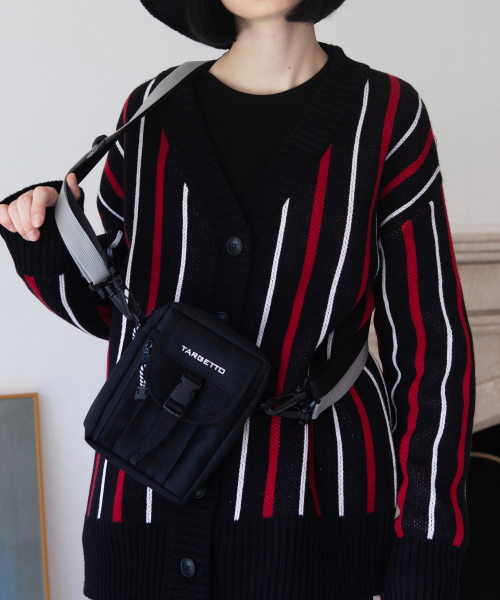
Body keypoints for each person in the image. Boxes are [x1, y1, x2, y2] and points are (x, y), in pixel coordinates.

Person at [0, 0, 476, 598]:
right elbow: (119, 316)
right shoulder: (149, 114)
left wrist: (425, 556)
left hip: (315, 525)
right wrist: (43, 236)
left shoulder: (386, 116)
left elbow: (435, 350)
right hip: (144, 510)